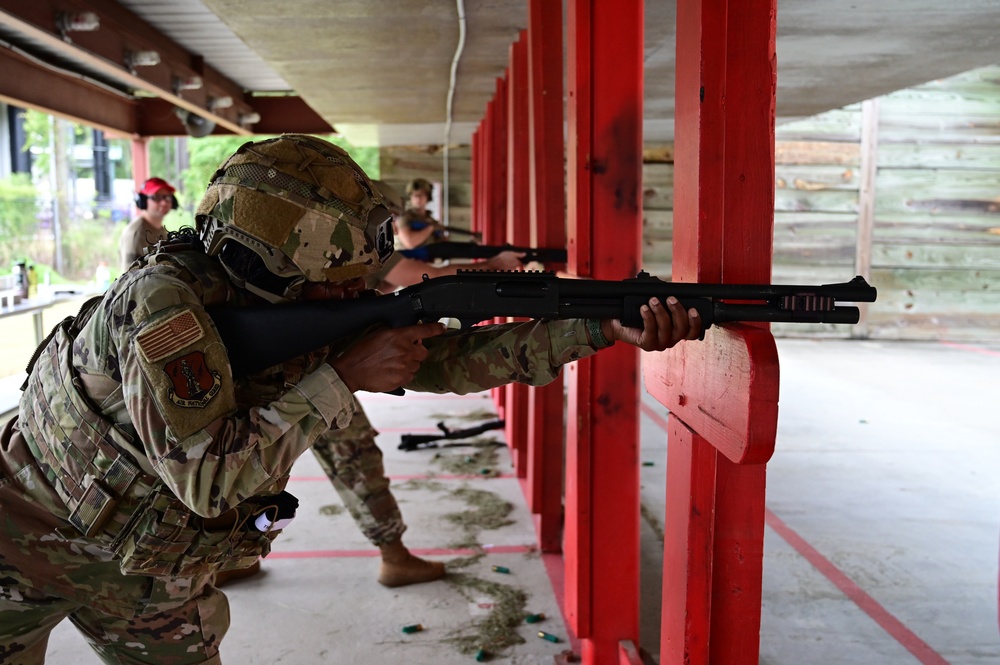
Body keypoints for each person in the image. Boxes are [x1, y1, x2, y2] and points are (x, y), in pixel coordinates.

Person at [0, 134, 701, 663]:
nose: (349, 294)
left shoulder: (286, 299)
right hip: (23, 533)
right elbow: (207, 481)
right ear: (263, 260)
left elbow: (451, 362)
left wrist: (598, 326)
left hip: (146, 568)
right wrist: (344, 376)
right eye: (331, 280)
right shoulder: (165, 306)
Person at [119, 177, 178, 270]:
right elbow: (129, 275)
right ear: (143, 201)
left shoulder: (161, 230)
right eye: (157, 197)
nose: (164, 202)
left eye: (167, 197)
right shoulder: (136, 233)